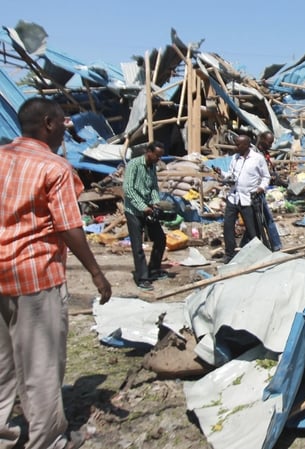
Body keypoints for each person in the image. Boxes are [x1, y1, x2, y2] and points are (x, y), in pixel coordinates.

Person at [0, 97, 112, 449]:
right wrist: (96, 272)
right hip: (34, 277)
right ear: (48, 123)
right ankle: (47, 441)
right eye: (64, 122)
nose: (68, 129)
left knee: (2, 365)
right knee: (41, 367)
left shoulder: (2, 156)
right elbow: (69, 226)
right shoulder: (55, 167)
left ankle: (4, 434)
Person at [123, 141, 168, 291]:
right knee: (138, 246)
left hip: (148, 208)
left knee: (160, 239)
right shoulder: (134, 165)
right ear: (148, 152)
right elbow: (128, 189)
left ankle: (154, 268)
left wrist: (155, 203)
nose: (158, 159)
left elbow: (154, 186)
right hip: (134, 211)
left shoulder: (152, 167)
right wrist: (143, 207)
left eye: (160, 156)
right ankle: (142, 277)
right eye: (157, 156)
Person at [221, 135, 270, 263]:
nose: (235, 147)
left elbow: (266, 177)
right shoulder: (235, 158)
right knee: (228, 225)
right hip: (233, 197)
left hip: (248, 198)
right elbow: (231, 175)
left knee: (252, 228)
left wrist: (261, 188)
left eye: (238, 145)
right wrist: (221, 174)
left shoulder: (257, 158)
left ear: (246, 145)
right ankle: (229, 253)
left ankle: (255, 253)